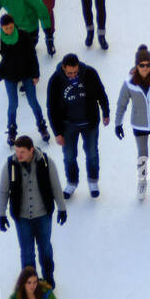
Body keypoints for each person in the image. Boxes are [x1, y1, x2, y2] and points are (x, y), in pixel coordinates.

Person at [0, 136, 67, 289]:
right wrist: (1, 214)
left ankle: (48, 277)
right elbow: (3, 191)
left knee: (45, 249)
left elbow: (56, 186)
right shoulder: (10, 165)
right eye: (16, 151)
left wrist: (62, 208)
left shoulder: (46, 162)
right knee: (27, 253)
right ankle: (30, 284)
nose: (18, 155)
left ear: (31, 150)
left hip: (43, 216)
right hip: (22, 218)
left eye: (22, 152)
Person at [114, 47, 150, 202]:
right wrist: (118, 123)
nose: (145, 68)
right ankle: (142, 182)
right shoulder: (129, 83)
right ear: (136, 66)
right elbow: (122, 104)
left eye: (147, 65)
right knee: (142, 155)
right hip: (139, 125)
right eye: (141, 65)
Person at [46, 53, 109, 198]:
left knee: (92, 153)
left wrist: (106, 112)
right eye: (70, 73)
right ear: (63, 68)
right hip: (68, 125)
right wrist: (57, 132)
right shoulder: (55, 80)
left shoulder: (90, 73)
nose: (73, 75)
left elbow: (101, 93)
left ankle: (93, 181)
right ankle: (72, 182)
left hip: (89, 122)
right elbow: (51, 107)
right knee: (69, 156)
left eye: (75, 72)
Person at [0, 11, 47, 147]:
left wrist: (36, 74)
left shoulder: (23, 35)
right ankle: (12, 130)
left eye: (11, 27)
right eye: (6, 28)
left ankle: (42, 126)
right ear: (1, 28)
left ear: (14, 25)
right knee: (13, 104)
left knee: (33, 101)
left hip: (26, 73)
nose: (9, 30)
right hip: (9, 75)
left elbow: (32, 55)